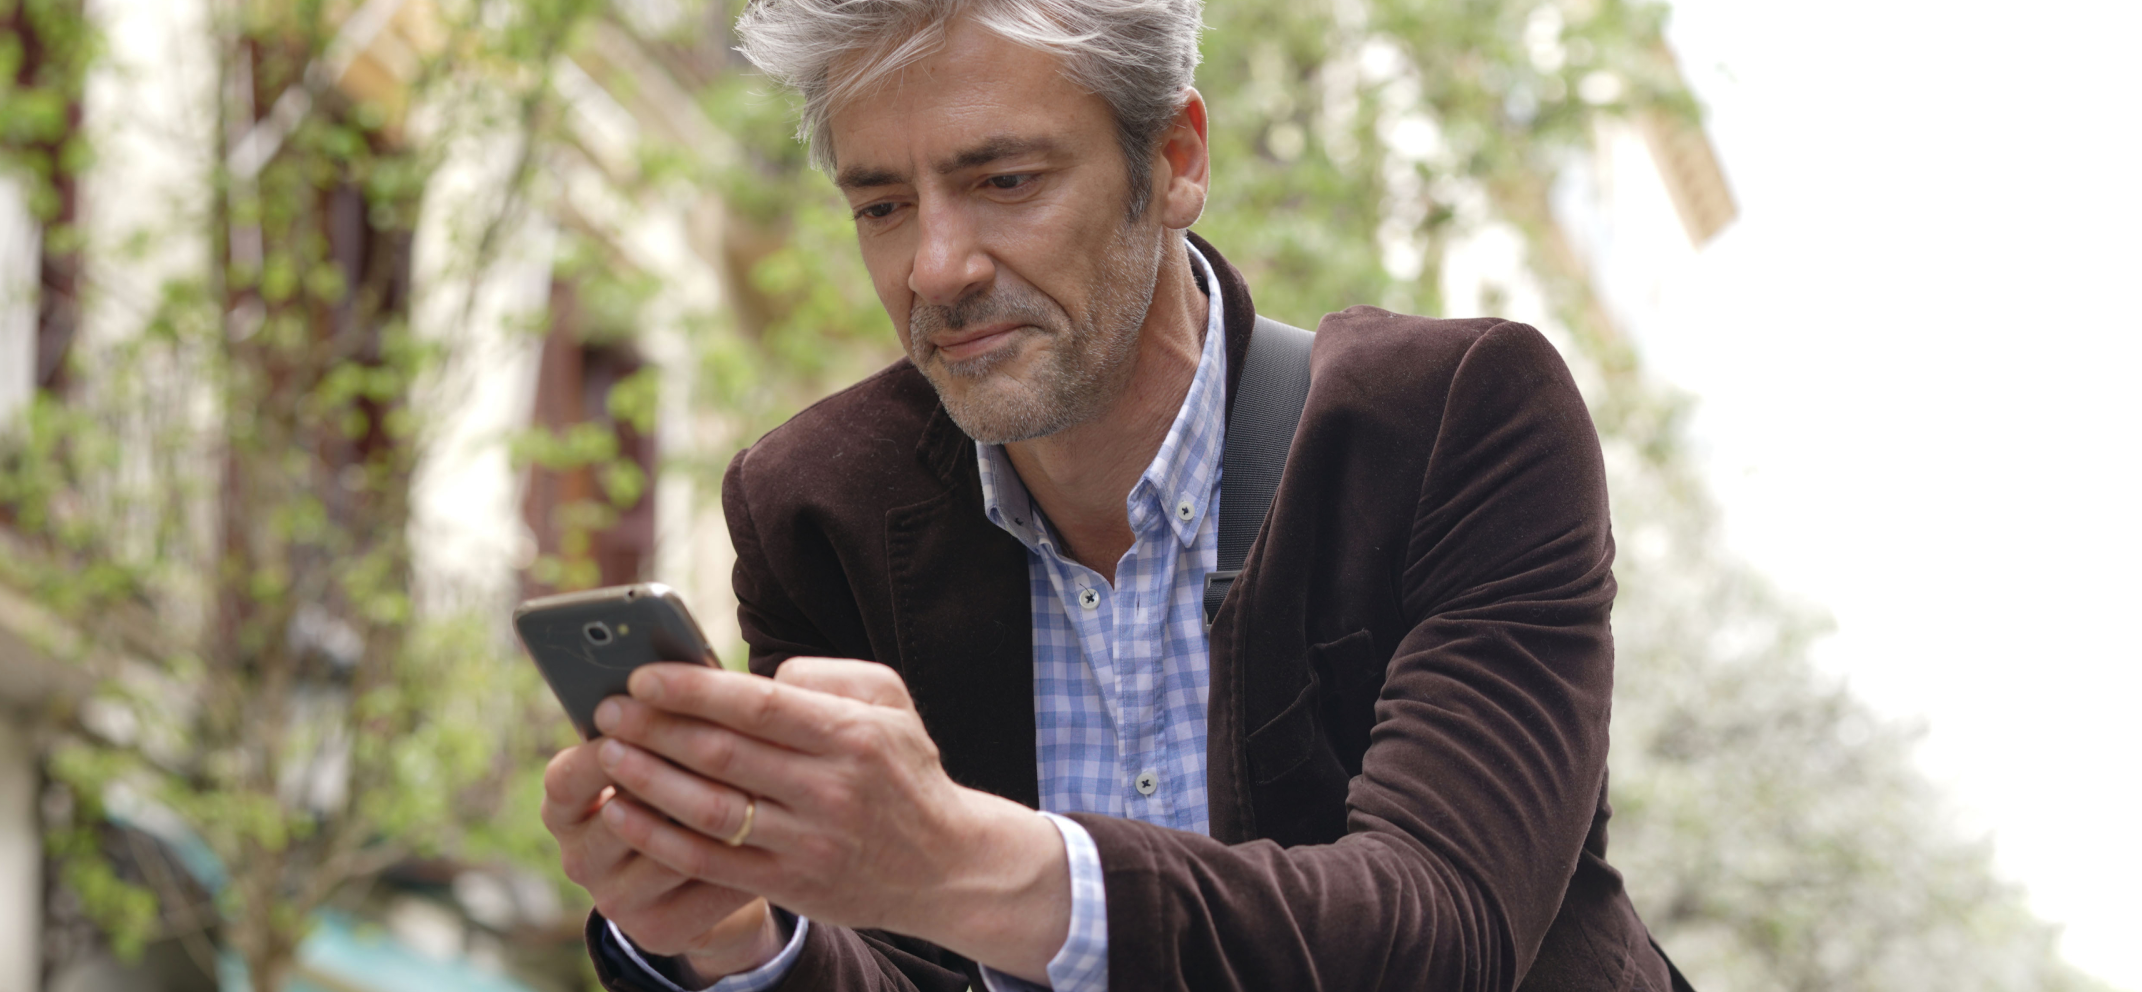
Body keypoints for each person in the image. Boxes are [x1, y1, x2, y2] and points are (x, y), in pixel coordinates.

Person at [539, 1, 1684, 989]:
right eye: (882, 206)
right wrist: (737, 939)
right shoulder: (813, 509)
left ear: (1175, 160)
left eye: (1006, 181)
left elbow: (1444, 930)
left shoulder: (1456, 420)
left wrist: (958, 859)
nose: (936, 267)